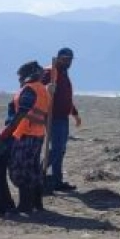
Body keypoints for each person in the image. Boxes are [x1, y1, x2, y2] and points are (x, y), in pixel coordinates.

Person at [0, 61, 51, 214]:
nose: (19, 80)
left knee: (21, 169)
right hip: (38, 133)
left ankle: (25, 205)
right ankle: (37, 203)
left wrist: (8, 131)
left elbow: (22, 113)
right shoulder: (43, 89)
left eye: (21, 76)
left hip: (25, 133)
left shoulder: (29, 90)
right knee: (33, 168)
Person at [42, 47, 81, 192]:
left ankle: (57, 181)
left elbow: (66, 98)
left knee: (61, 150)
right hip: (53, 116)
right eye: (65, 59)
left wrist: (75, 114)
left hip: (63, 117)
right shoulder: (50, 72)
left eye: (70, 59)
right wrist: (47, 88)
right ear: (58, 58)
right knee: (57, 149)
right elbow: (40, 89)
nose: (68, 62)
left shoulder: (64, 73)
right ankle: (40, 175)